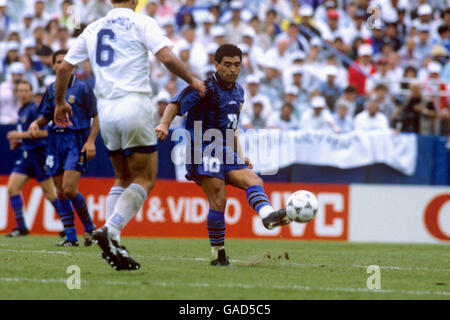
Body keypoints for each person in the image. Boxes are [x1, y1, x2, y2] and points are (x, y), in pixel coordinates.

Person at [52, 0, 205, 270]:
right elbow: (167, 57)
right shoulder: (142, 22)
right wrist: (192, 80)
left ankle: (114, 241)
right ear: (134, 1)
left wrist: (60, 102)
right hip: (134, 105)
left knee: (122, 176)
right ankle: (110, 229)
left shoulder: (93, 28)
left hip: (106, 111)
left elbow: (64, 67)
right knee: (146, 177)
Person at [156, 44, 289, 267]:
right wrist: (163, 124)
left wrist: (240, 154)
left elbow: (232, 127)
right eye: (227, 64)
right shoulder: (204, 87)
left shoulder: (239, 92)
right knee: (219, 198)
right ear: (216, 65)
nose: (232, 69)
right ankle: (218, 253)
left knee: (254, 180)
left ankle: (267, 215)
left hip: (224, 150)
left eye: (237, 65)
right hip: (202, 148)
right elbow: (175, 104)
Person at [29, 50, 98, 247]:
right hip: (54, 141)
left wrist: (91, 141)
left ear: (73, 66)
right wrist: (36, 123)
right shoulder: (51, 90)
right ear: (53, 66)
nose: (61, 65)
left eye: (65, 62)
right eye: (58, 62)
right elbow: (46, 116)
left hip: (75, 140)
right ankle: (71, 236)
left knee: (69, 188)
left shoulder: (83, 89)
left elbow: (96, 116)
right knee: (59, 190)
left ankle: (90, 227)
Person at [5, 80, 63, 238]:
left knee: (50, 193)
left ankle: (68, 224)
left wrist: (19, 135)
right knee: (12, 188)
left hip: (39, 156)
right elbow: (30, 135)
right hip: (26, 157)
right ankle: (22, 227)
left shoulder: (35, 110)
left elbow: (44, 133)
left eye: (26, 90)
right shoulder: (21, 111)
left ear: (31, 93)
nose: (23, 93)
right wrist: (20, 141)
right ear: (17, 93)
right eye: (20, 90)